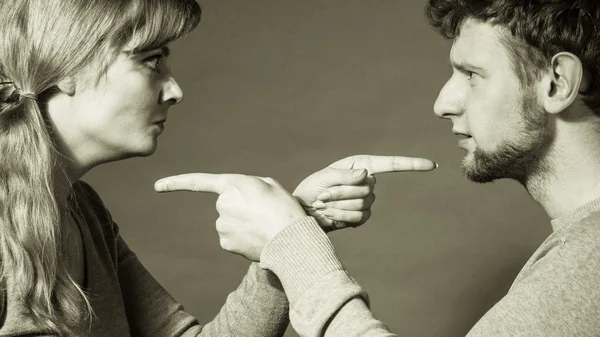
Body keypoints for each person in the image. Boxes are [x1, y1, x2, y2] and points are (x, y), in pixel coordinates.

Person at [156, 0, 600, 336]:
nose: (443, 103)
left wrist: (292, 245)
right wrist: (291, 232)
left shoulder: (590, 259)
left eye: (472, 75)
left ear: (556, 83)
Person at [0, 0, 438, 335]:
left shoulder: (85, 212)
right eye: (151, 59)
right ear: (67, 68)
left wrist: (291, 227)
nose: (175, 90)